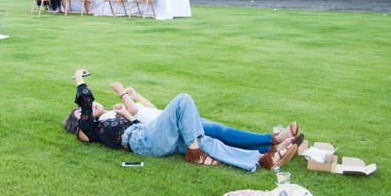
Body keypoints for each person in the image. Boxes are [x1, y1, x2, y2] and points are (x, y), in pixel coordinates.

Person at [63, 69, 298, 171]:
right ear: (78, 124)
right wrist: (78, 77)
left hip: (151, 134)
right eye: (80, 114)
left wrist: (125, 113)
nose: (86, 109)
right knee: (183, 99)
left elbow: (138, 119)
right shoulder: (88, 131)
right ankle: (194, 152)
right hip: (144, 141)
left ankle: (262, 159)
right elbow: (86, 102)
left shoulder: (110, 119)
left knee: (206, 140)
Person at [104, 84, 302, 154]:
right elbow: (133, 111)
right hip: (174, 126)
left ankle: (269, 147)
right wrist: (121, 92)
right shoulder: (112, 116)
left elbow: (154, 110)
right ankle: (272, 140)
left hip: (173, 118)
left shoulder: (117, 109)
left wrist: (137, 95)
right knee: (219, 132)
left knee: (220, 132)